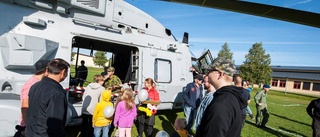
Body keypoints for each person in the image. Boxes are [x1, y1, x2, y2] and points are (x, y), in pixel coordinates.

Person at [196, 57, 247, 137]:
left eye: (209, 71)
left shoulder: (221, 104)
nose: (206, 74)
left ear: (220, 74)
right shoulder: (231, 97)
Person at [25, 58, 70, 137]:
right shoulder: (57, 92)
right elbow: (55, 124)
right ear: (63, 72)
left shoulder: (35, 86)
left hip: (31, 132)